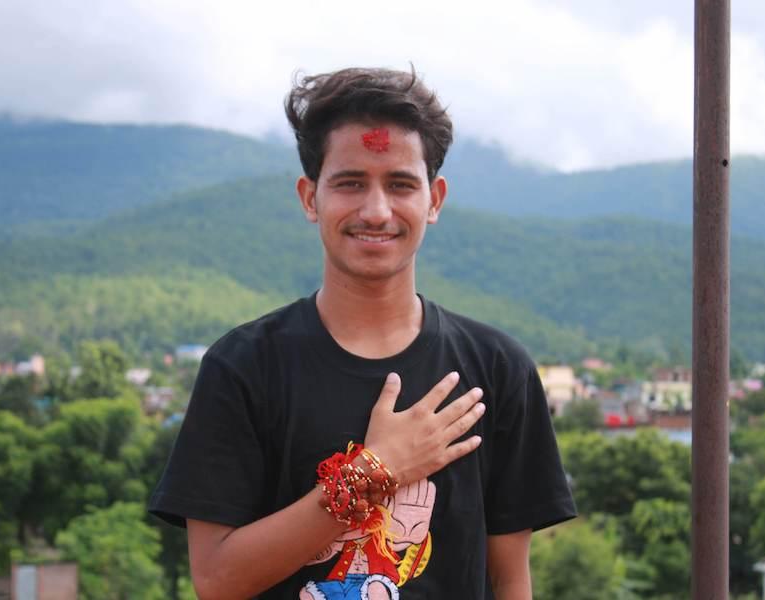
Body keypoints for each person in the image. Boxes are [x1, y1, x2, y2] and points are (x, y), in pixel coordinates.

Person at [149, 66, 576, 599]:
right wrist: (375, 473)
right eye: (350, 183)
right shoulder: (244, 367)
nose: (376, 211)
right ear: (310, 198)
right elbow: (216, 580)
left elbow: (509, 579)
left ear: (434, 200)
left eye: (400, 185)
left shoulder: (495, 371)